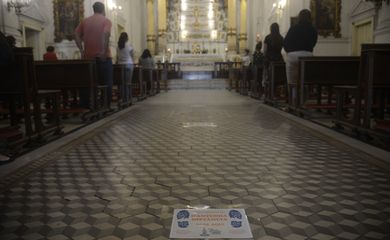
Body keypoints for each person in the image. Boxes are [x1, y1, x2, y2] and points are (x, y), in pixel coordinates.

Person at [75, 2, 113, 109]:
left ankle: (88, 106)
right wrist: (104, 51)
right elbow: (106, 35)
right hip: (103, 58)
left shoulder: (85, 21)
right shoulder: (106, 21)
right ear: (103, 10)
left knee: (90, 82)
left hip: (88, 59)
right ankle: (105, 105)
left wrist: (81, 50)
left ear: (94, 9)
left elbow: (76, 34)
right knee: (106, 83)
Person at [284, 9, 318, 106]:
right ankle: (303, 102)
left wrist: (289, 52)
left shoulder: (294, 28)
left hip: (293, 56)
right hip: (308, 56)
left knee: (292, 81)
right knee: (305, 80)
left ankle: (293, 102)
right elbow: (314, 43)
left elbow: (285, 43)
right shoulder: (312, 29)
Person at [263, 23, 284, 88]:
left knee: (266, 72)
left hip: (269, 59)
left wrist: (265, 56)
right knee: (278, 74)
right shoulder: (281, 38)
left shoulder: (267, 37)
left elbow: (265, 50)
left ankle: (266, 85)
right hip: (278, 58)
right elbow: (283, 49)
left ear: (271, 29)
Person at [117, 32, 134, 103]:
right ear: (127, 38)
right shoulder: (129, 44)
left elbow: (118, 56)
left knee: (122, 83)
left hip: (120, 65)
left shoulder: (118, 46)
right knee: (128, 83)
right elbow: (132, 54)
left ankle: (123, 98)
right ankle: (128, 99)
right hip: (128, 64)